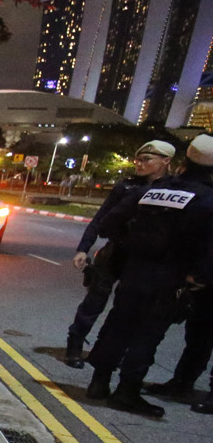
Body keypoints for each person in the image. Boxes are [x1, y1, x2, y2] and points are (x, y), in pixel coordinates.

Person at [84, 140, 213, 417]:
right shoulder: (207, 199)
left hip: (135, 271)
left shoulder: (154, 190)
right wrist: (199, 276)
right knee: (147, 334)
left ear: (184, 162)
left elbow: (109, 224)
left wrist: (133, 247)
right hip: (171, 276)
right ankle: (127, 391)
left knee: (118, 325)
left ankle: (99, 382)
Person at [63, 140, 174, 368]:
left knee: (126, 307)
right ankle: (75, 344)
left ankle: (104, 351)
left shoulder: (174, 190)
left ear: (166, 161)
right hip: (116, 251)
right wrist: (83, 248)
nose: (140, 164)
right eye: (138, 160)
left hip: (144, 259)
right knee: (95, 299)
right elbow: (101, 218)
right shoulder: (127, 187)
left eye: (147, 160)